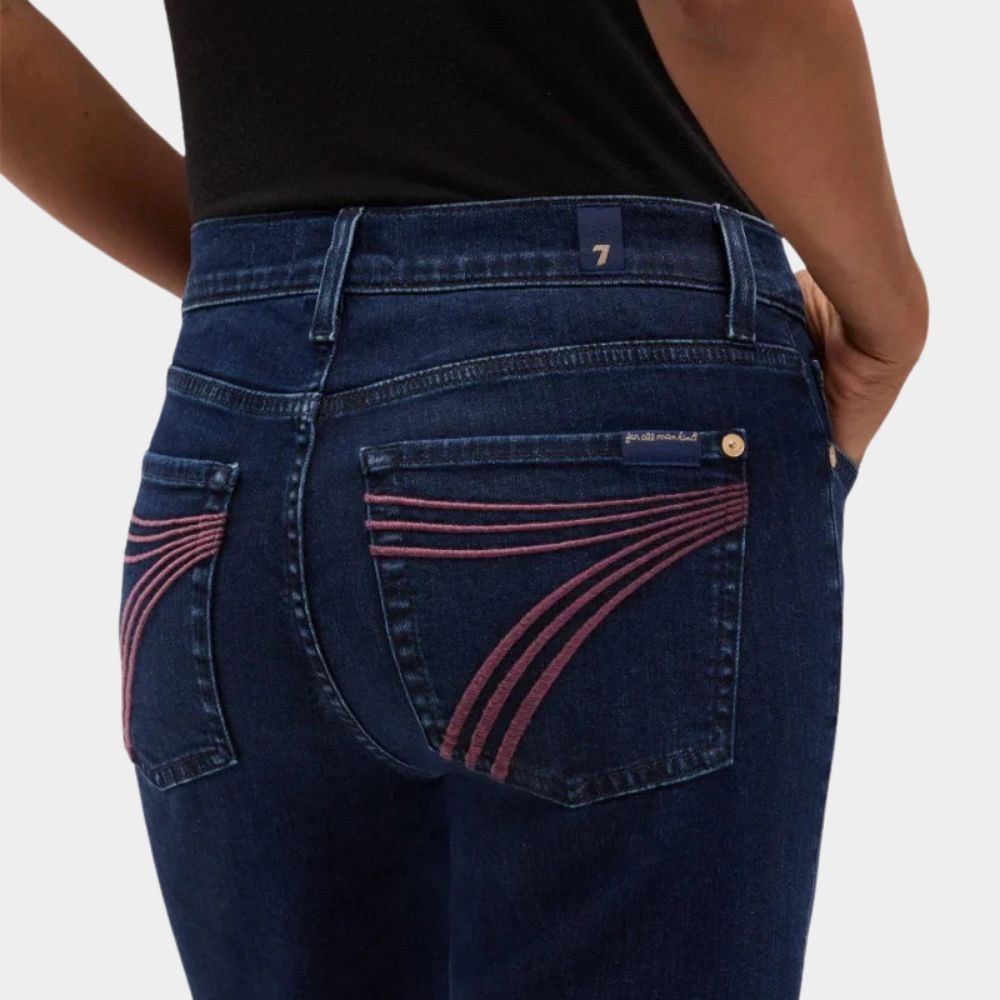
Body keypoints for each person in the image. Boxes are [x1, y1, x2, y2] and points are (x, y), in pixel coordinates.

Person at [1, 2, 927, 997]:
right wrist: (887, 316)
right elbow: (724, 14)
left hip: (226, 461)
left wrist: (256, 287)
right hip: (607, 413)